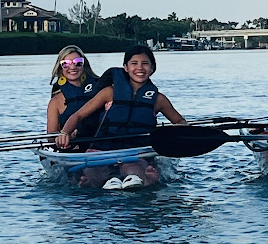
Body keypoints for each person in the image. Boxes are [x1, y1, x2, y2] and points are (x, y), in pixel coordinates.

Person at [55, 45, 187, 189]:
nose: (140, 68)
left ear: (152, 68)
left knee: (133, 170)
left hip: (136, 153)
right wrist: (64, 133)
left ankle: (146, 178)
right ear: (125, 67)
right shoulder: (109, 92)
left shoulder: (158, 99)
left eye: (145, 63)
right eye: (134, 63)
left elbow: (179, 121)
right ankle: (94, 182)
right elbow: (78, 115)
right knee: (94, 173)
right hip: (103, 151)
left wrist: (179, 132)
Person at [47, 45, 100, 138]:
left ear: (84, 65)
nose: (72, 67)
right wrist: (63, 137)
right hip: (74, 147)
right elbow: (51, 137)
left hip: (101, 145)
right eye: (66, 63)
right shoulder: (55, 102)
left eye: (78, 62)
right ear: (60, 67)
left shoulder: (100, 88)